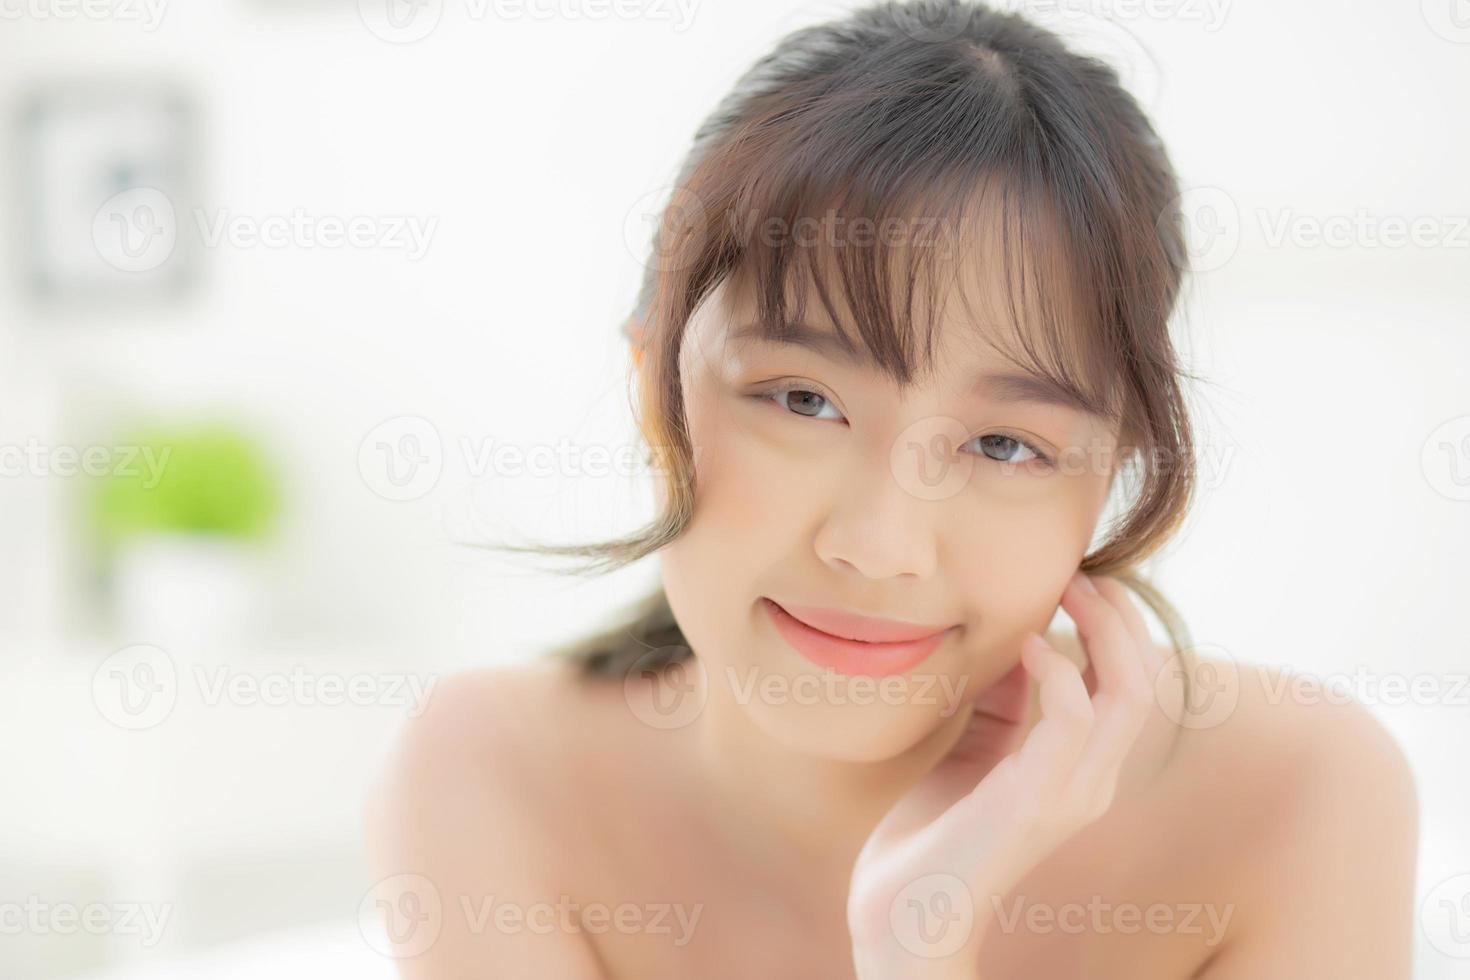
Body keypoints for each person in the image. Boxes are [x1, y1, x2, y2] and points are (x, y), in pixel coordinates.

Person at [364, 1, 1419, 976]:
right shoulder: (492, 773)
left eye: (1007, 444)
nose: (881, 543)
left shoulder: (1298, 797)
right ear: (654, 391)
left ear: (1109, 474)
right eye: (803, 401)